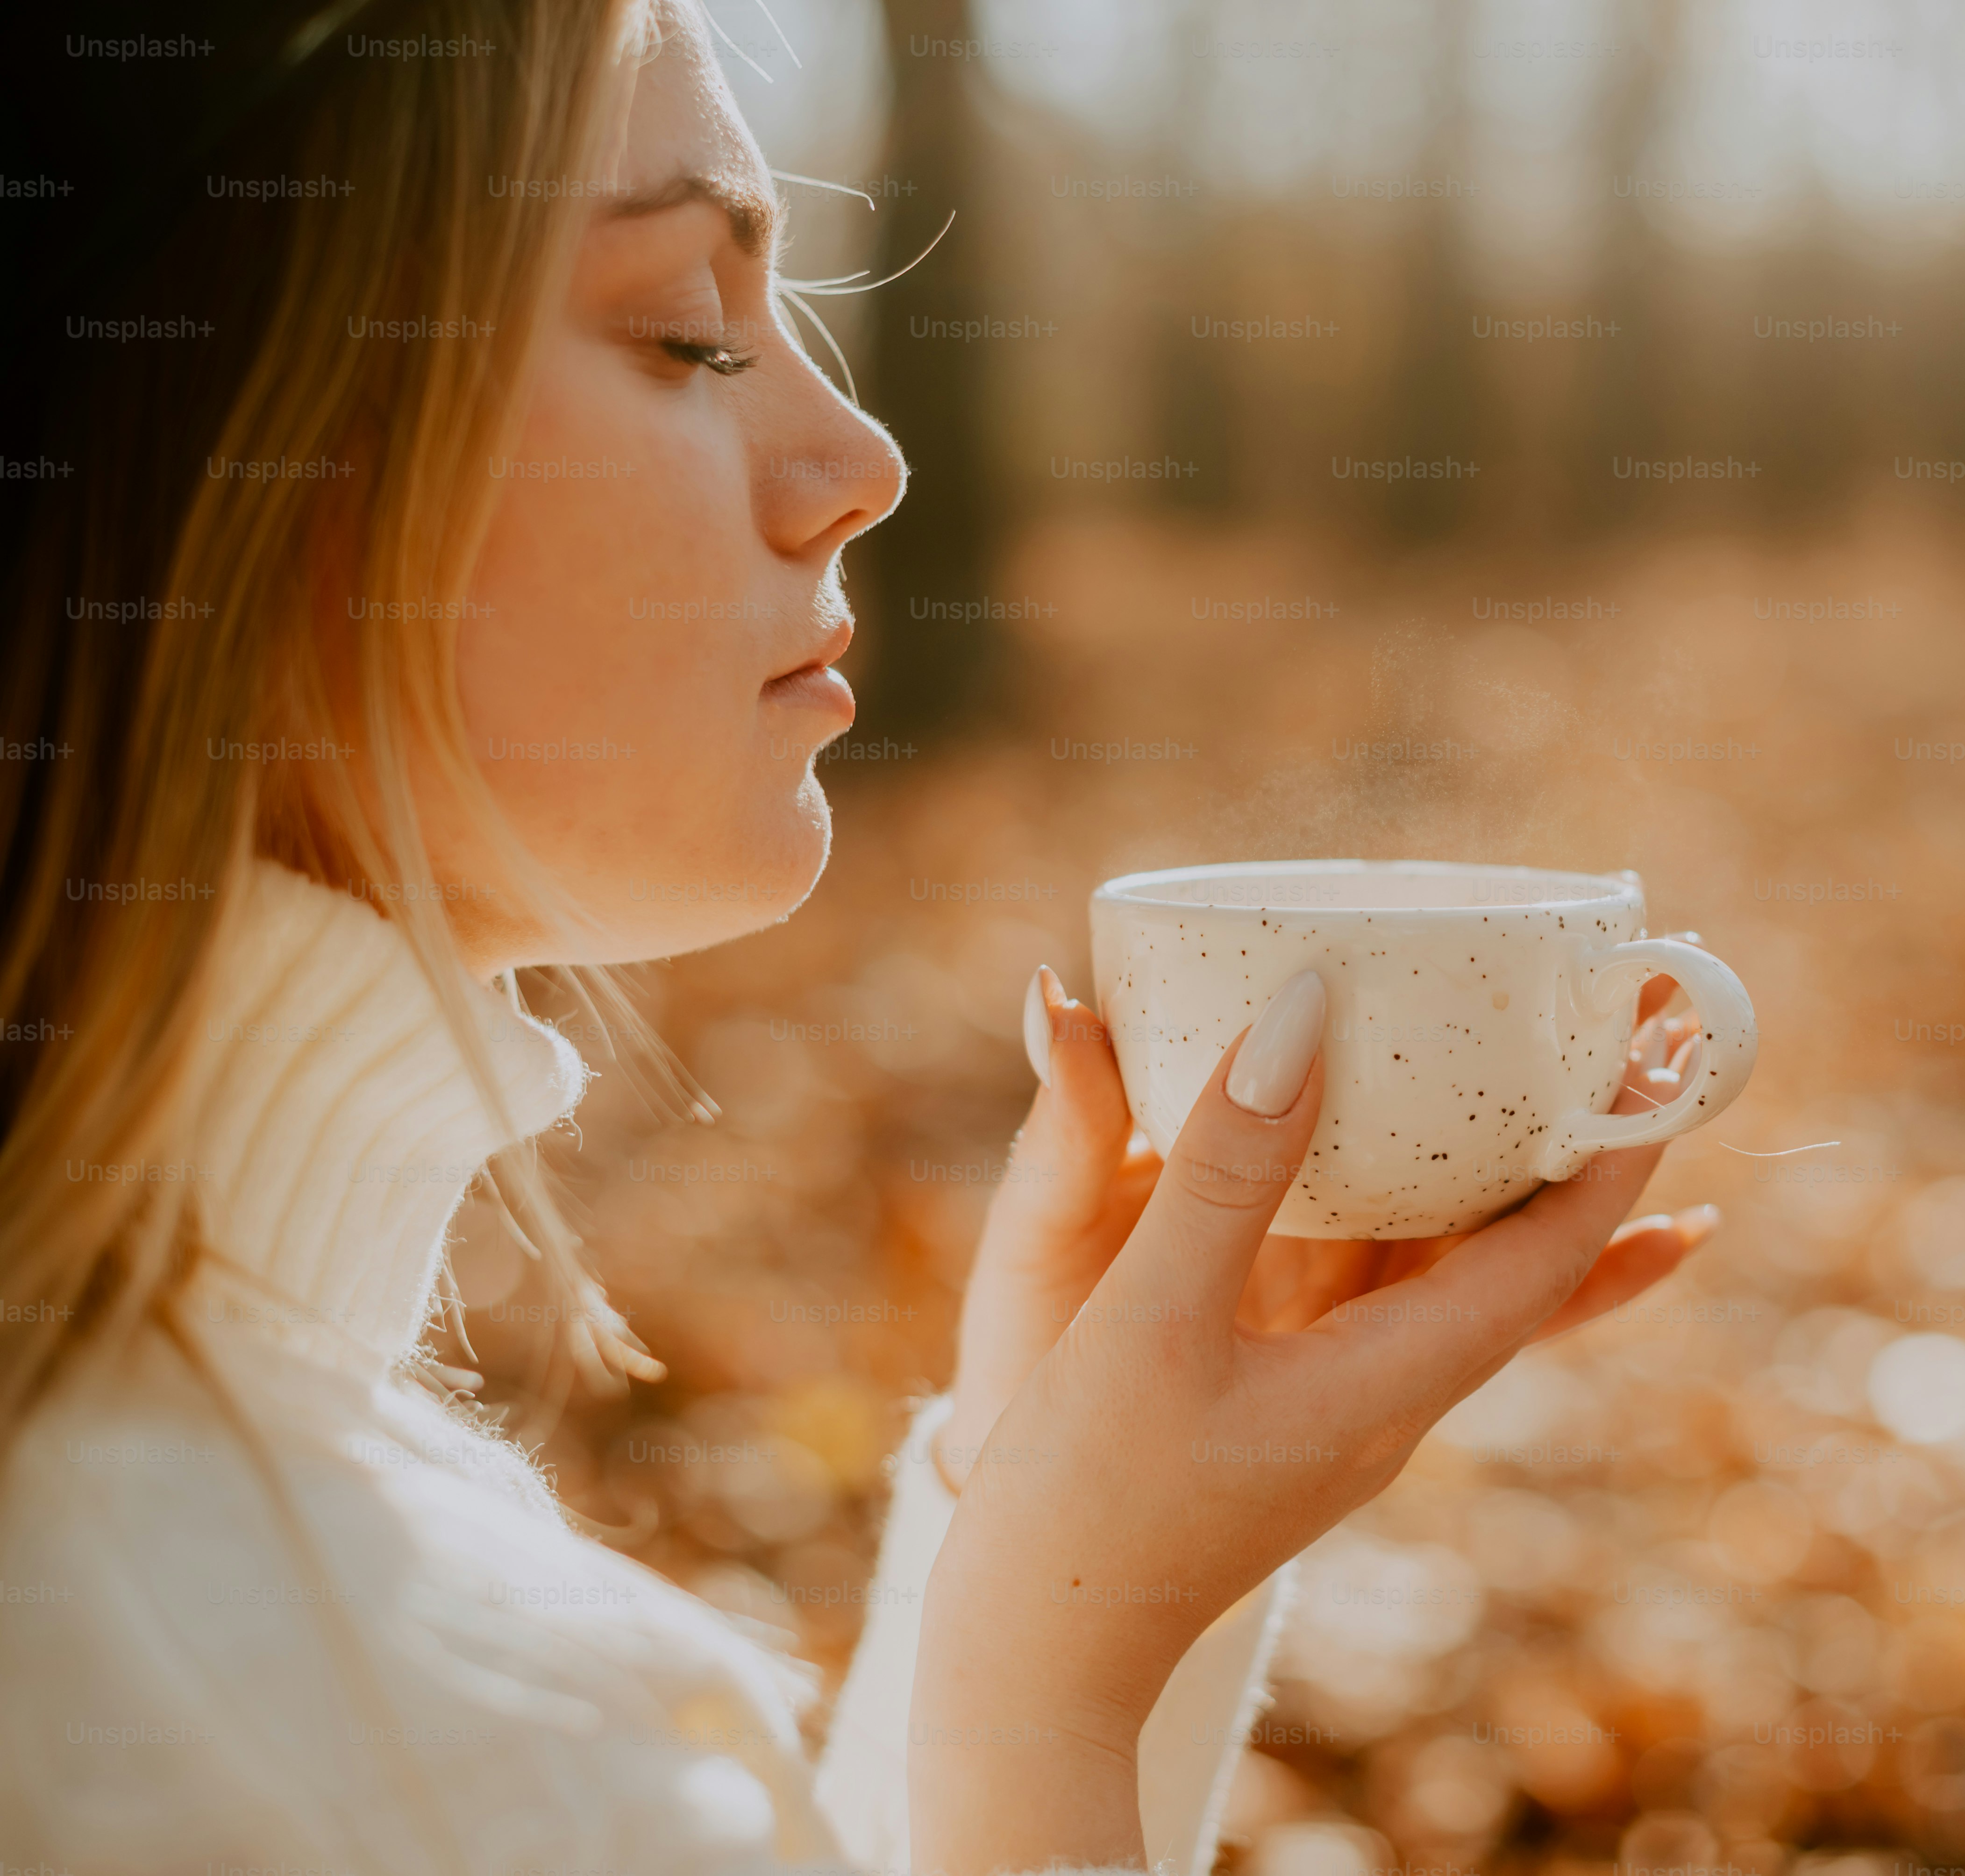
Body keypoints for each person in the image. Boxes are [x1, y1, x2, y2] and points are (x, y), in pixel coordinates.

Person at [0, 2, 1723, 1870]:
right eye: (685, 332)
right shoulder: (366, 1725)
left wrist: (1055, 1567)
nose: (860, 455)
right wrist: (1051, 1691)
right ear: (206, 444)